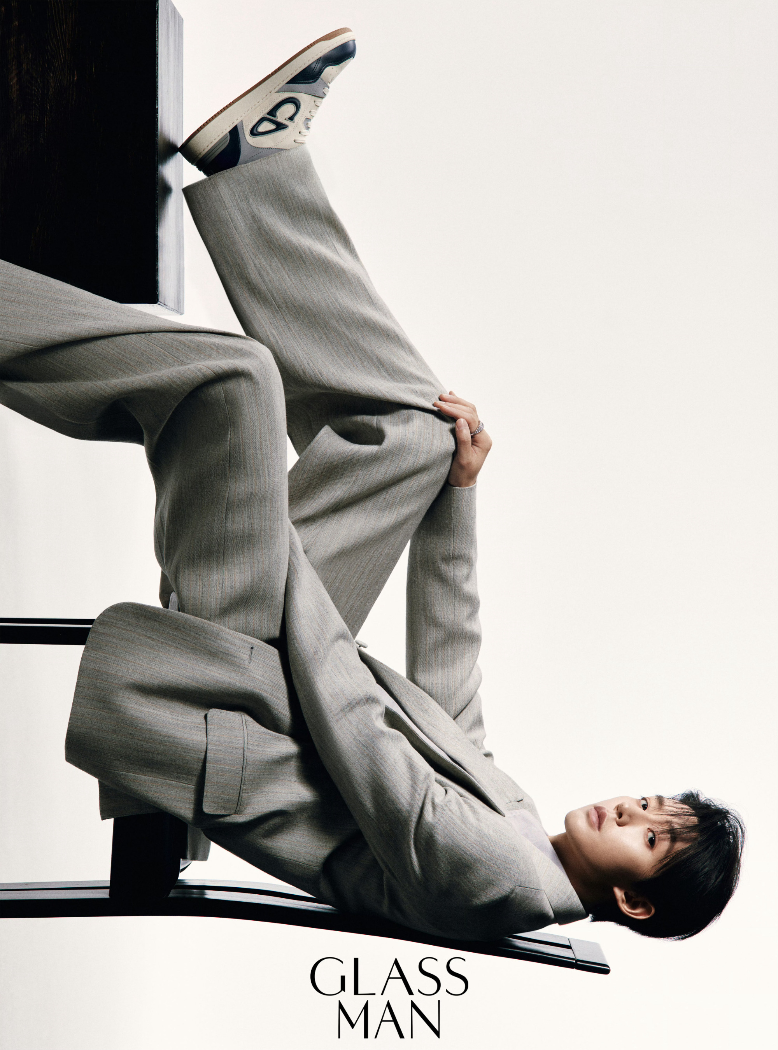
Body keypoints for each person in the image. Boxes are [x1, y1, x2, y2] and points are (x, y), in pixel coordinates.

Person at [0, 30, 743, 943]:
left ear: (634, 900)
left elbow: (354, 724)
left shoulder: (500, 882)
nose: (628, 810)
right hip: (276, 682)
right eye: (651, 803)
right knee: (422, 435)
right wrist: (458, 497)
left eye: (649, 838)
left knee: (234, 382)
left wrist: (280, 548)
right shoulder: (524, 837)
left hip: (227, 711)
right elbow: (450, 690)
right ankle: (253, 171)